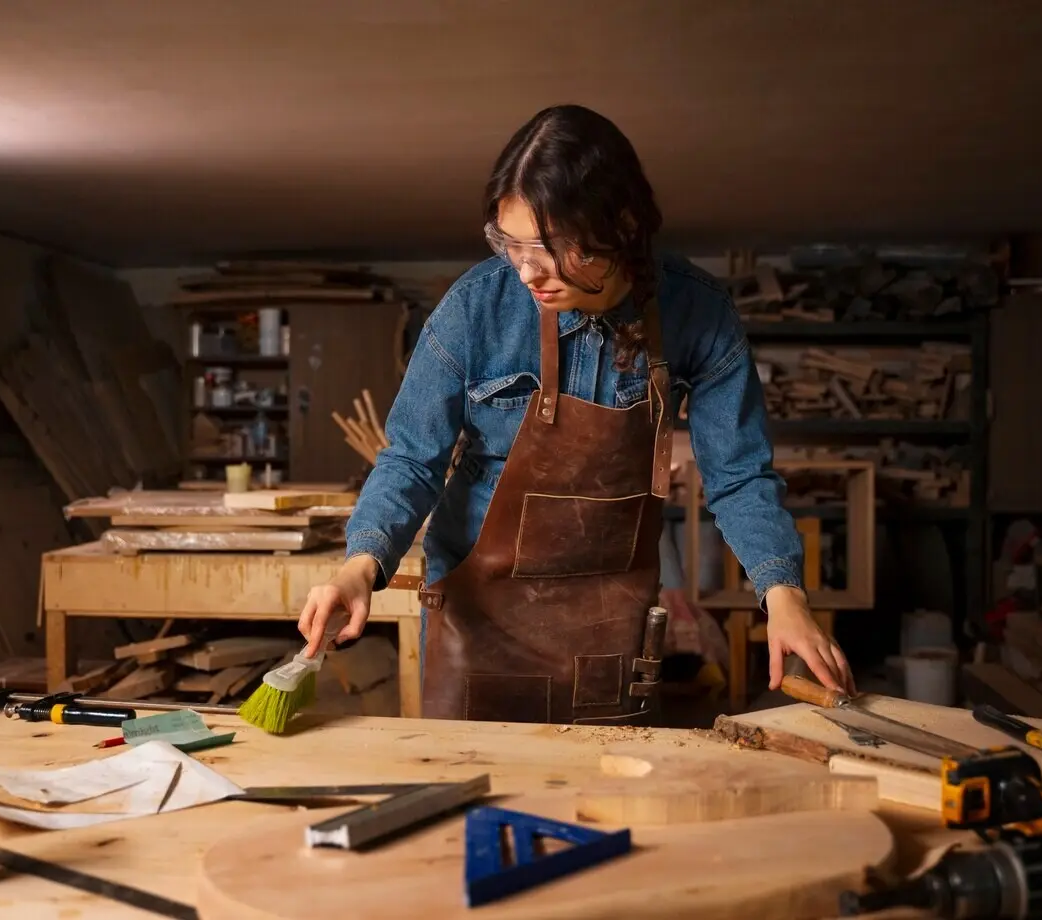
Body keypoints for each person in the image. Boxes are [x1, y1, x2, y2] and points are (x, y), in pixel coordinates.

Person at [297, 104, 853, 724]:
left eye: (550, 248)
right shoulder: (475, 309)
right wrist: (359, 566)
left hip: (609, 619)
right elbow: (410, 458)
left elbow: (740, 474)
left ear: (621, 225)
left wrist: (784, 595)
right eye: (510, 245)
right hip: (480, 616)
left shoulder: (699, 312)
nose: (527, 270)